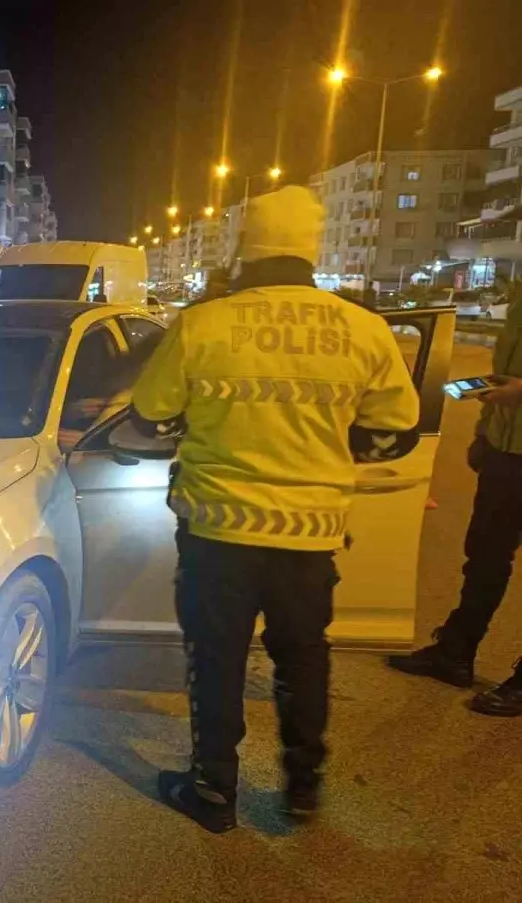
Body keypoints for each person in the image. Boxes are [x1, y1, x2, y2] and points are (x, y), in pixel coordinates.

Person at [130, 185, 421, 832]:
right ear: (311, 249)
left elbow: (148, 417)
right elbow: (395, 432)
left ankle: (212, 790)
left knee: (217, 657)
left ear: (244, 248)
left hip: (216, 530)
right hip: (309, 536)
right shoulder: (364, 329)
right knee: (302, 657)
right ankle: (303, 787)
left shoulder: (203, 324)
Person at [387, 286, 522, 718]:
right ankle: (456, 652)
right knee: (483, 557)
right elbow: (503, 375)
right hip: (506, 451)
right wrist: (485, 431)